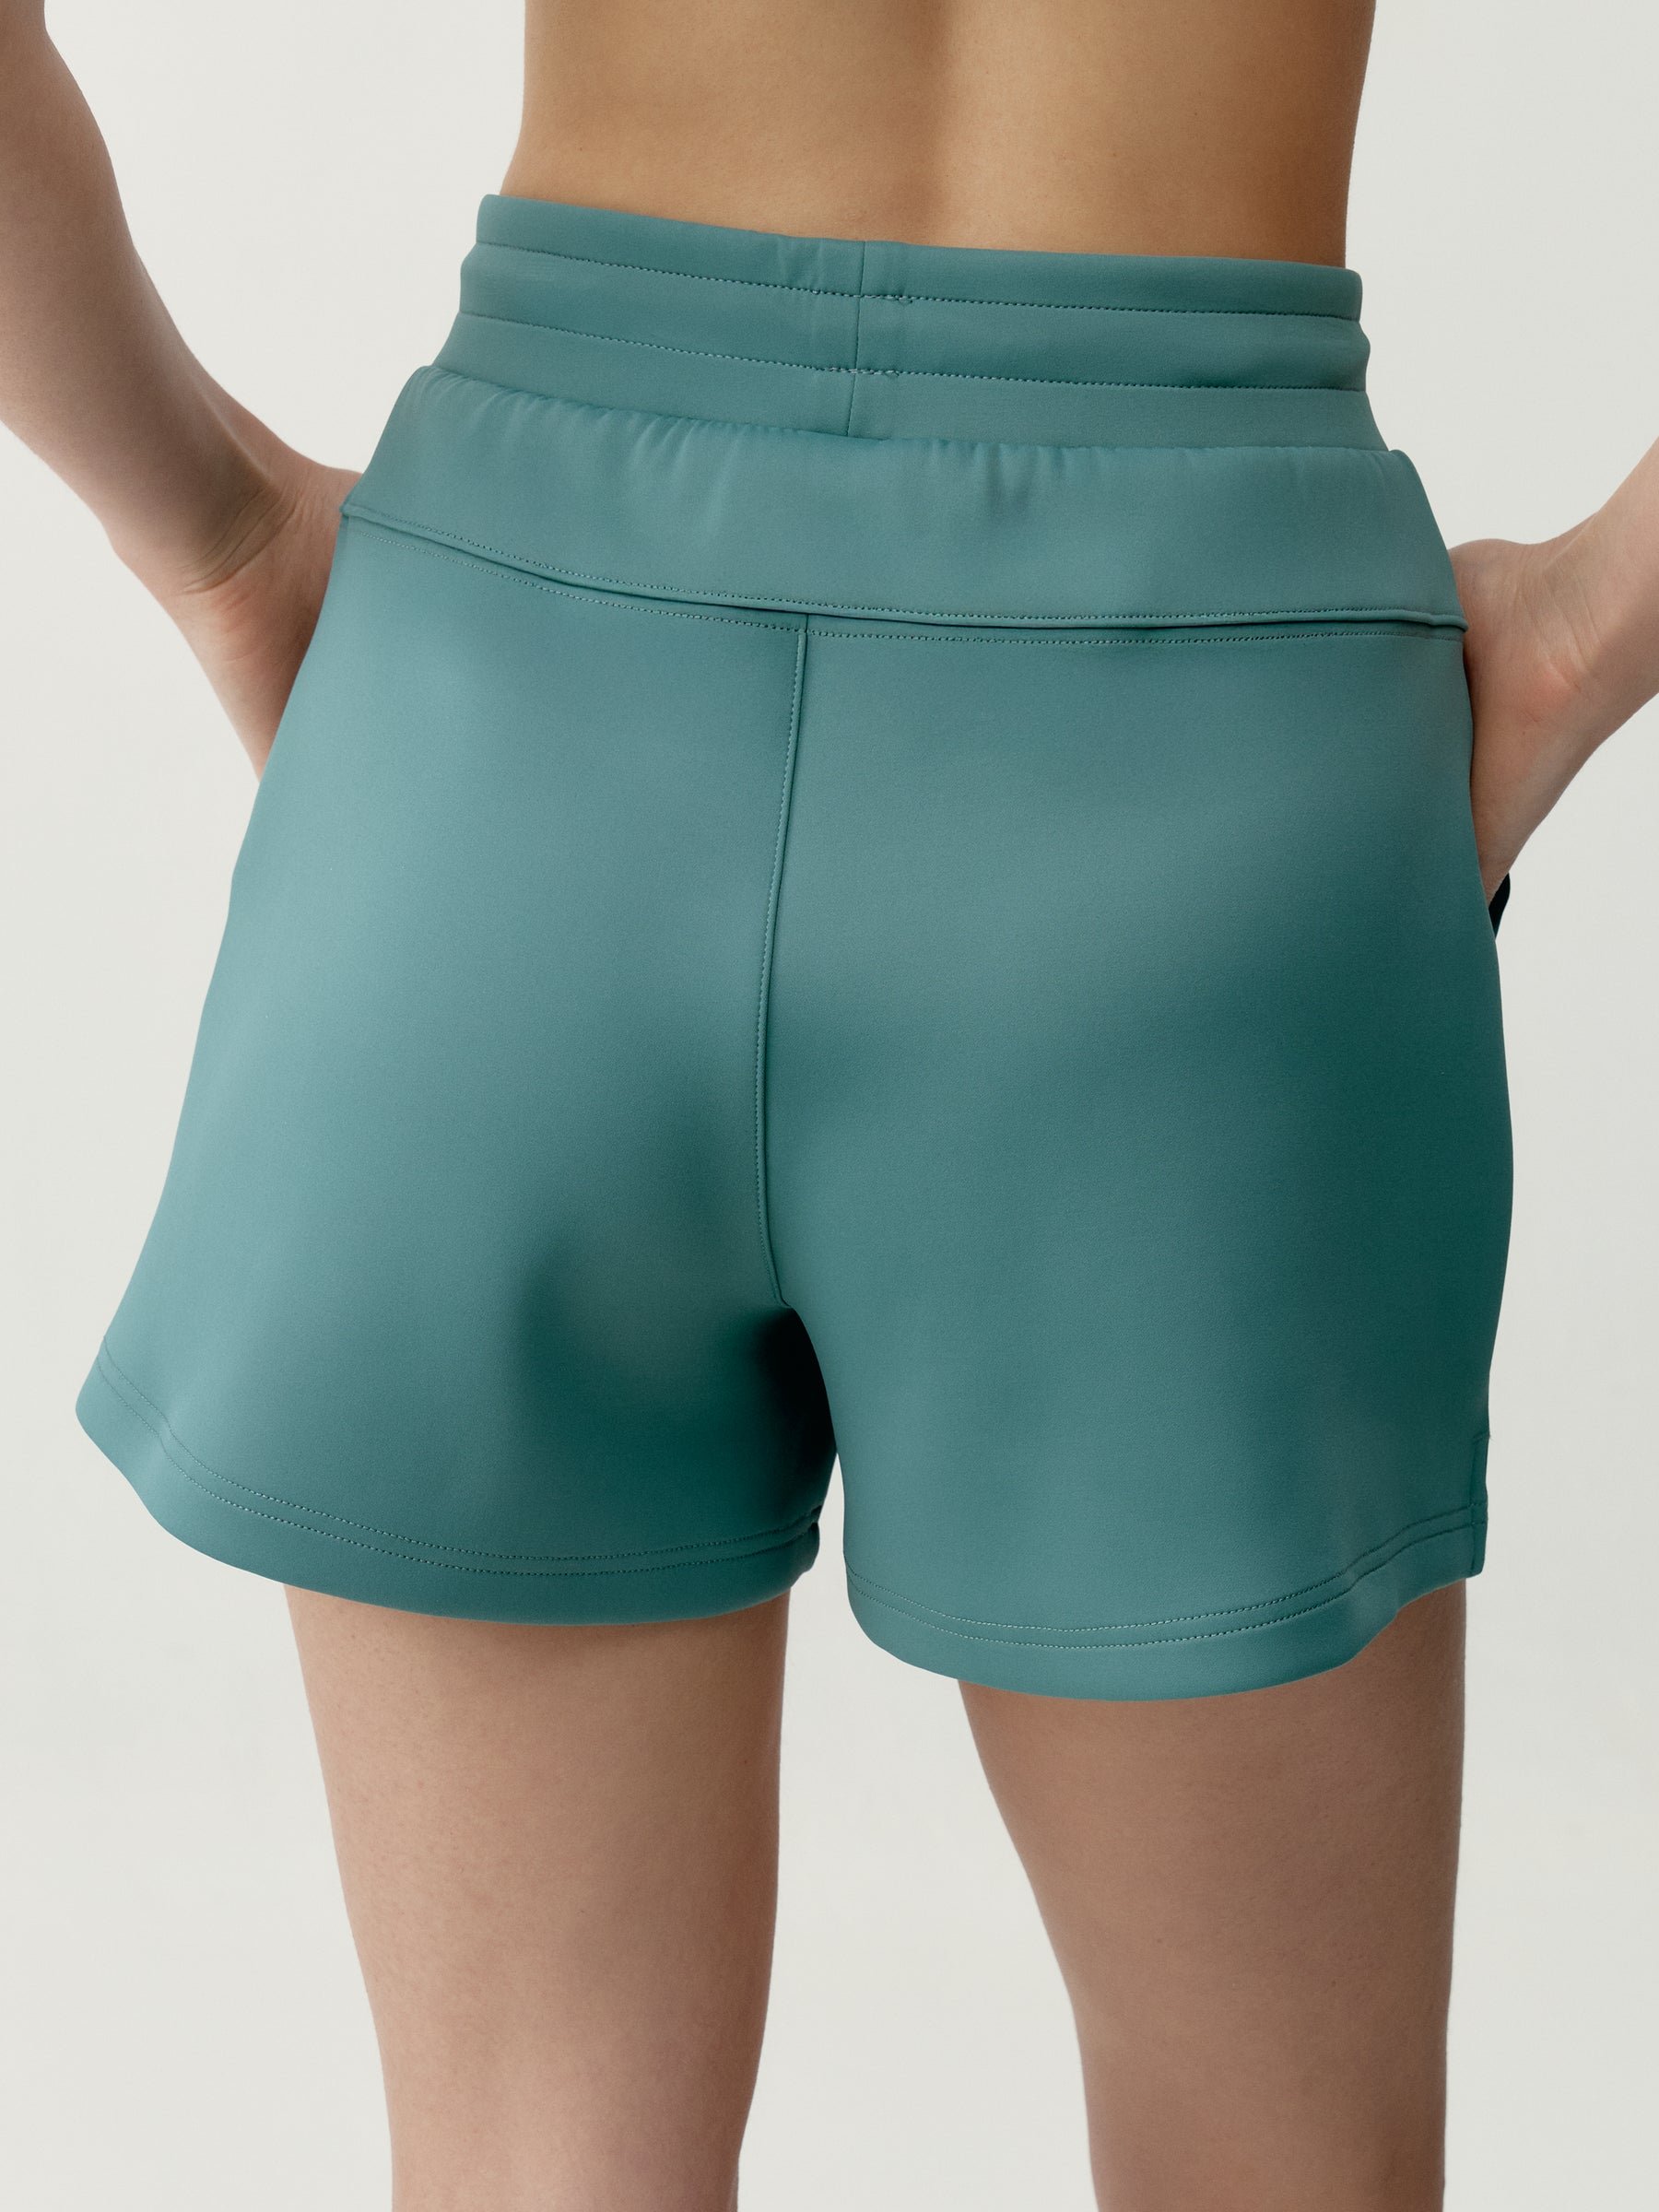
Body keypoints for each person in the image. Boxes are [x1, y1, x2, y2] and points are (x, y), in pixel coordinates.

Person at [4, 4, 1655, 2206]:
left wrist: (221, 541)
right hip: (1201, 760)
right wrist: (1583, 632)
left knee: (530, 2164)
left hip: (504, 737)